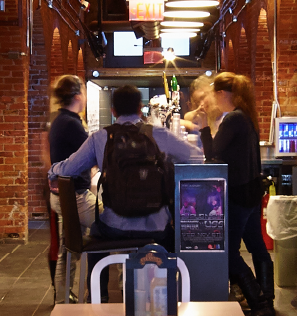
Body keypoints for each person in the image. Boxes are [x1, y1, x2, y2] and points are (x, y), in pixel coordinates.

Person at [49, 84, 201, 252]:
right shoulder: (159, 134)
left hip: (115, 228)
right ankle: (171, 274)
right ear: (140, 109)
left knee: (95, 230)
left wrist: (52, 171)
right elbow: (196, 157)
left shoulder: (100, 137)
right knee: (173, 239)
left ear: (113, 111)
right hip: (156, 228)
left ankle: (97, 277)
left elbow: (69, 168)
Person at [197, 72, 275, 316]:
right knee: (257, 246)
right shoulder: (246, 117)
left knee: (227, 253)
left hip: (239, 194)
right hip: (252, 191)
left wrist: (203, 129)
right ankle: (268, 299)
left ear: (221, 94)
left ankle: (258, 301)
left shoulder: (232, 120)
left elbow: (212, 156)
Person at [46, 74, 96, 302]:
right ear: (78, 96)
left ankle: (63, 298)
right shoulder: (72, 124)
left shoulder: (59, 120)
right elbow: (92, 155)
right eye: (83, 92)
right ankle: (100, 293)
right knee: (115, 225)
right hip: (76, 197)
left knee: (68, 248)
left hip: (62, 196)